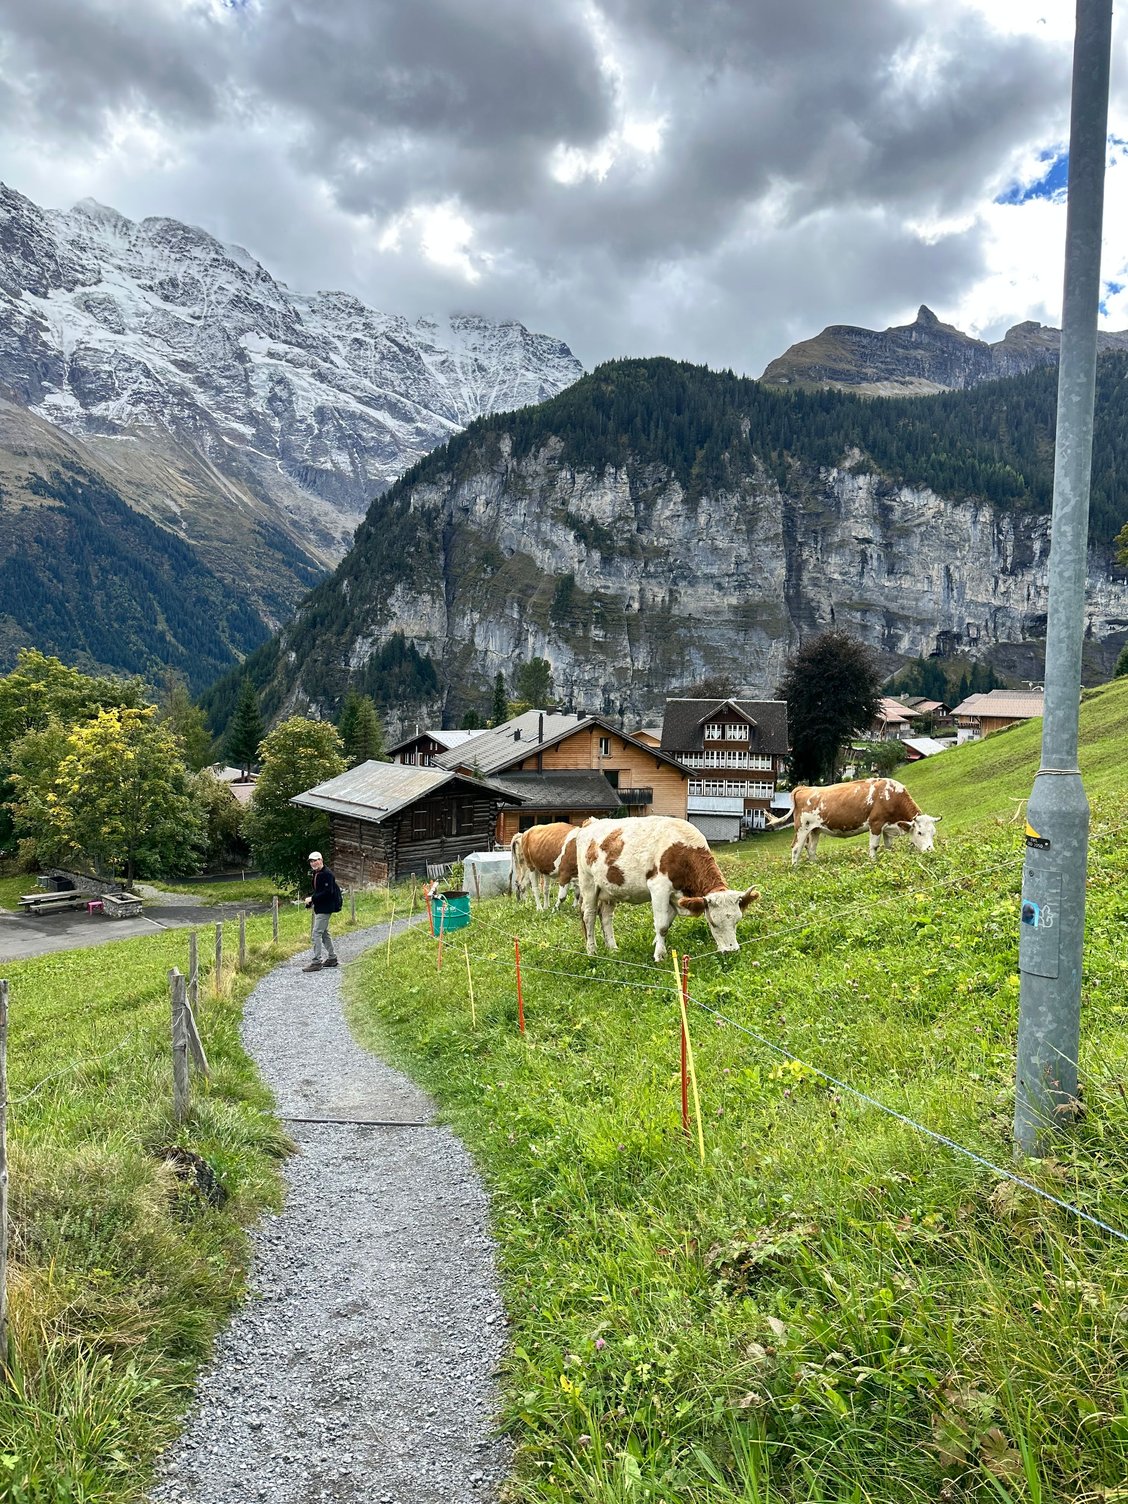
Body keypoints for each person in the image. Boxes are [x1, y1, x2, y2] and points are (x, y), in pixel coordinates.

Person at [303, 850, 340, 972]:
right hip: (321, 907)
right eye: (311, 861)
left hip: (326, 908)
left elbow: (327, 892)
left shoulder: (327, 874)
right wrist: (311, 902)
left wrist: (312, 898)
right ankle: (332, 958)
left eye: (315, 860)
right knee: (324, 933)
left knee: (316, 933)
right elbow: (319, 891)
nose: (313, 863)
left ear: (321, 860)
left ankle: (316, 962)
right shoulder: (317, 873)